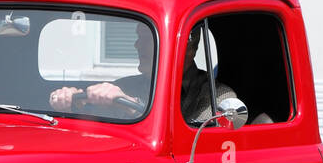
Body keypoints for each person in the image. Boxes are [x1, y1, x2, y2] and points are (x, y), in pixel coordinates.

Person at [48, 24, 238, 124]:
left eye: (147, 38)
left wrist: (128, 104)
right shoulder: (125, 85)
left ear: (188, 49)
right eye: (139, 37)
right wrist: (75, 103)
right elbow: (98, 125)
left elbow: (193, 139)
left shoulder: (219, 97)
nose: (137, 45)